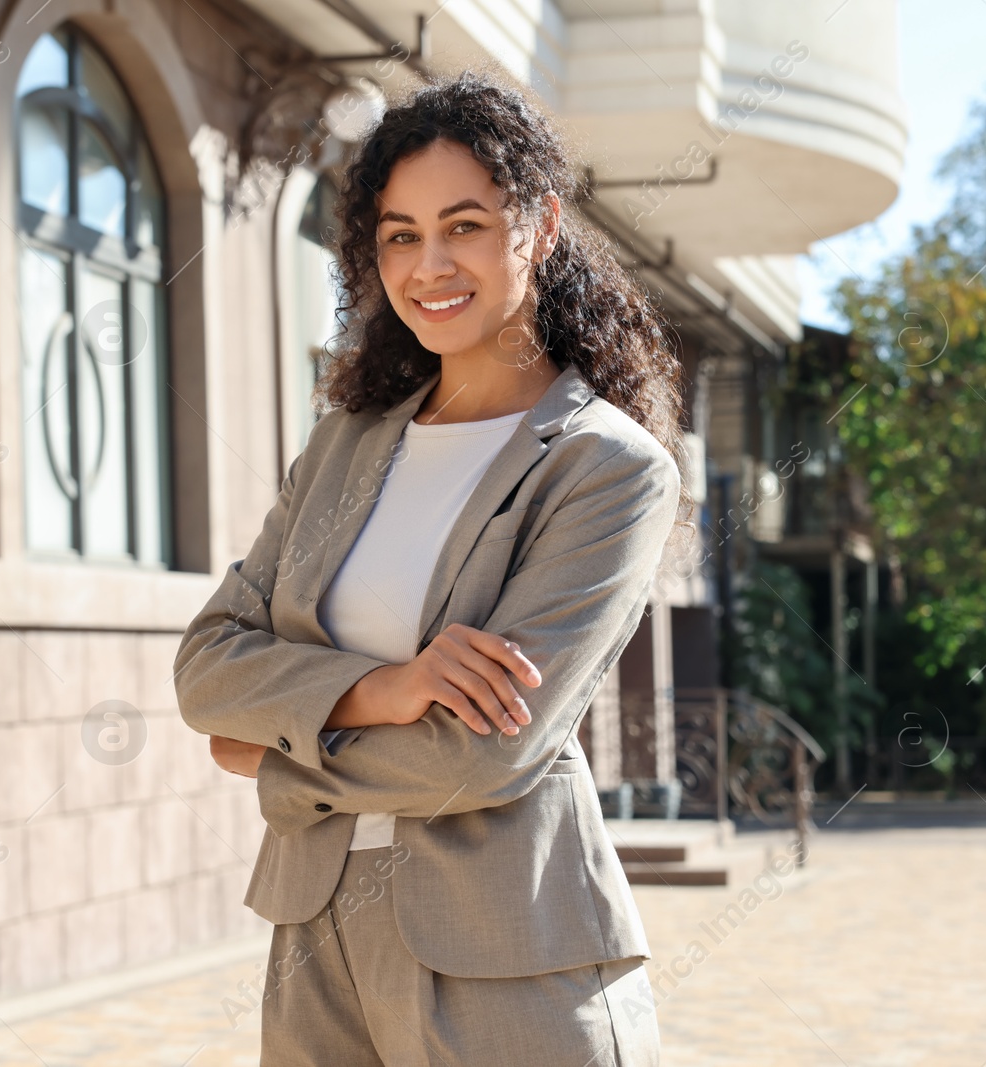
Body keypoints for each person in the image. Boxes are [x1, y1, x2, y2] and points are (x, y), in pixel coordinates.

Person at [172, 70, 693, 1066]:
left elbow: (483, 752)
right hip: (314, 938)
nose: (429, 264)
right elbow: (206, 666)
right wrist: (386, 687)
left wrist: (277, 750)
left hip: (504, 953)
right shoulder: (343, 447)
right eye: (400, 233)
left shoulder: (606, 467)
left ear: (536, 227)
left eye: (463, 224)